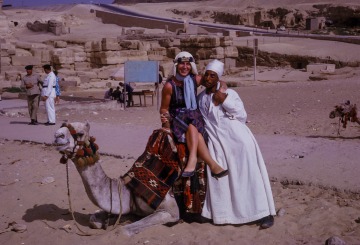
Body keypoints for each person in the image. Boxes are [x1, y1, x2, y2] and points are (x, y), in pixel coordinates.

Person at [198, 59, 276, 228]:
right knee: (223, 179)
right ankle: (222, 215)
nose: (209, 78)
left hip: (239, 140)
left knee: (249, 177)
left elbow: (242, 116)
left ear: (218, 78)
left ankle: (263, 213)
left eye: (213, 75)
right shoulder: (200, 98)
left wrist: (224, 99)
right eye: (207, 75)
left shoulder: (231, 93)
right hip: (217, 142)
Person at [160, 51, 228, 178]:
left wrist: (222, 90)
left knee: (193, 125)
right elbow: (164, 108)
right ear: (176, 65)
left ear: (191, 65)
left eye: (188, 64)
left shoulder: (195, 79)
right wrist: (166, 123)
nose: (185, 67)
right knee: (192, 125)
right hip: (178, 118)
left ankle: (195, 161)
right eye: (182, 64)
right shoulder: (169, 86)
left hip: (194, 116)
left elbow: (217, 80)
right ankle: (210, 164)